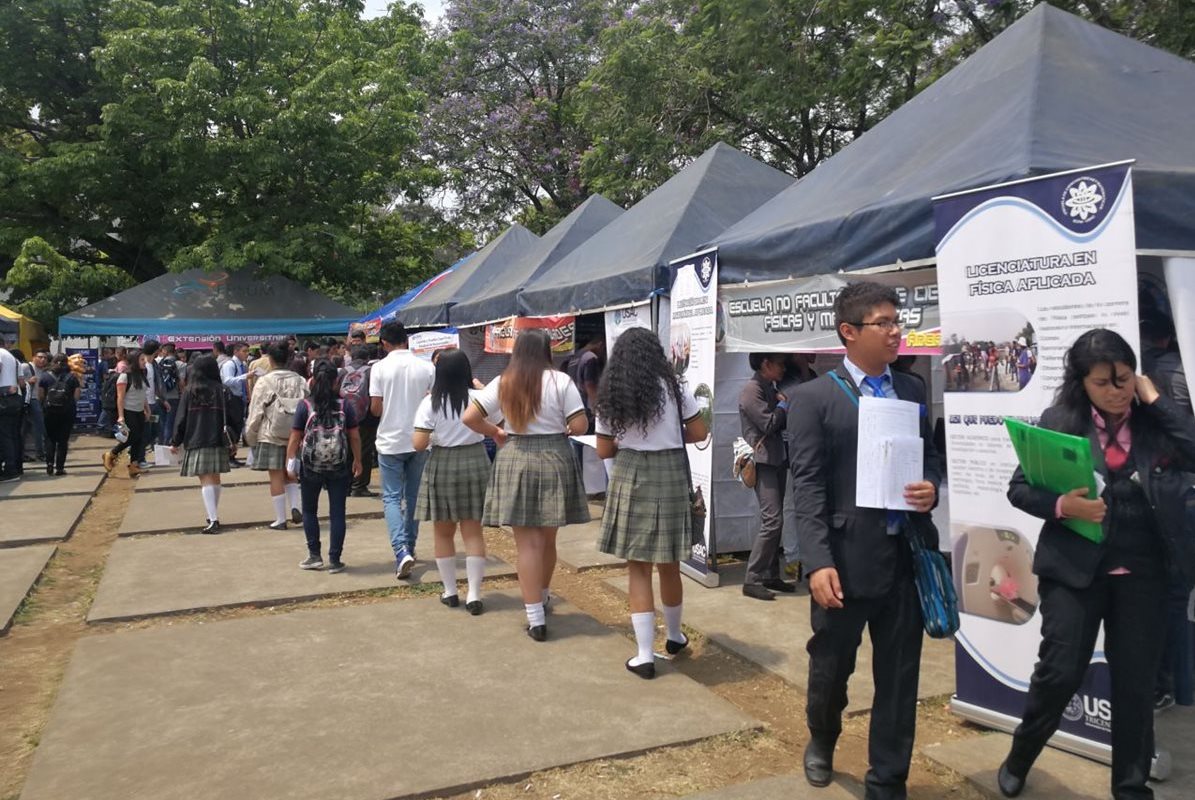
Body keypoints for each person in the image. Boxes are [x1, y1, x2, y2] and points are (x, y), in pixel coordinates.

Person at [997, 329, 1195, 800]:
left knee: (1135, 684)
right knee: (1061, 671)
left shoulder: (1154, 422)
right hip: (1075, 571)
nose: (1116, 390)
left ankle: (1130, 787)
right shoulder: (1060, 420)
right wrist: (1065, 505)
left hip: (1143, 573)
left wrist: (1156, 399)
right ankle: (1021, 754)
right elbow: (1020, 488)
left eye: (1125, 379)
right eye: (1104, 382)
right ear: (1081, 382)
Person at [789, 281, 941, 798]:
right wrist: (817, 562)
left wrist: (931, 488)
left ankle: (888, 780)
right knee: (832, 666)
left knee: (900, 677)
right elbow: (806, 484)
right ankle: (823, 737)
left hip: (906, 556)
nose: (897, 331)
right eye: (885, 323)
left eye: (899, 321)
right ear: (849, 333)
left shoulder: (914, 389)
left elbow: (931, 458)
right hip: (845, 561)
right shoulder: (813, 398)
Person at [593, 328, 708, 678]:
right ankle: (674, 637)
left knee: (638, 567)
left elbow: (603, 449)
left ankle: (644, 656)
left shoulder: (611, 393)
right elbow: (700, 433)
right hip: (671, 471)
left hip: (631, 473)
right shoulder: (676, 386)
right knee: (670, 563)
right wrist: (672, 435)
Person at [463, 328, 590, 641]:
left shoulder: (504, 381)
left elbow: (470, 417)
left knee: (526, 544)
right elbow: (579, 424)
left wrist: (495, 431)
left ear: (517, 351)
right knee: (547, 540)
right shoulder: (561, 381)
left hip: (516, 456)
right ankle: (543, 596)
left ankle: (535, 618)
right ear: (547, 351)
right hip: (554, 457)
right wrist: (561, 425)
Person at [412, 348, 496, 614]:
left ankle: (449, 591)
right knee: (473, 532)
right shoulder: (479, 398)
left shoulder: (430, 403)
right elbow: (497, 423)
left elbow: (418, 444)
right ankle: (474, 594)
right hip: (475, 461)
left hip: (443, 463)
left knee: (443, 531)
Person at [369, 321, 435, 579]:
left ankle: (400, 550)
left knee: (391, 498)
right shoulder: (427, 367)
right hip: (420, 439)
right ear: (406, 340)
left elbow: (375, 407)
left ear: (384, 343)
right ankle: (410, 545)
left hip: (389, 440)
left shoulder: (379, 368)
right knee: (414, 496)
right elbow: (433, 402)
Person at [286, 358, 362, 573]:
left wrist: (290, 462)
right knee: (338, 512)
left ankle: (314, 555)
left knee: (309, 510)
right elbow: (354, 436)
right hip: (339, 466)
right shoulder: (345, 405)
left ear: (312, 379)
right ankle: (335, 559)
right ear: (335, 380)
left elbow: (295, 437)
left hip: (311, 467)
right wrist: (358, 460)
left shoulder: (305, 405)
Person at [739, 352, 795, 600]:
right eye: (780, 364)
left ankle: (770, 575)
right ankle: (752, 578)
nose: (783, 369)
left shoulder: (767, 387)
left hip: (775, 459)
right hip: (764, 461)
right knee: (772, 520)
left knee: (776, 519)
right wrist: (783, 405)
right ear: (766, 364)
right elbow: (769, 423)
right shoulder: (752, 390)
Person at [245, 342, 309, 530]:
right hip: (295, 434)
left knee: (275, 477)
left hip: (270, 434)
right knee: (291, 473)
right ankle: (296, 507)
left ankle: (280, 519)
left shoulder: (264, 382)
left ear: (270, 360)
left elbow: (256, 411)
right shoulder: (300, 380)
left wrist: (251, 436)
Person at [170, 355, 236, 534]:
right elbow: (233, 416)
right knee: (214, 478)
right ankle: (211, 514)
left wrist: (175, 441)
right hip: (218, 439)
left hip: (197, 438)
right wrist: (235, 438)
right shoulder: (222, 390)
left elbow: (181, 419)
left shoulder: (190, 391)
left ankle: (213, 519)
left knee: (205, 479)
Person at [778, 353, 818, 578]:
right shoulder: (787, 381)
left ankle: (806, 557)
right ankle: (793, 558)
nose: (814, 354)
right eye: (808, 351)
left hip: (811, 448)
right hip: (792, 450)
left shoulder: (809, 375)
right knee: (791, 506)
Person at [103, 349, 152, 478]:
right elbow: (120, 397)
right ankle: (112, 454)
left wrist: (147, 409)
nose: (144, 362)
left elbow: (143, 394)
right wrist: (121, 416)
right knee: (132, 437)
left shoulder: (142, 374)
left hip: (139, 411)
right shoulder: (124, 376)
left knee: (139, 439)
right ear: (135, 361)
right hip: (128, 410)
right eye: (142, 360)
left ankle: (133, 466)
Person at [341, 345, 378, 497]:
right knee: (364, 450)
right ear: (367, 359)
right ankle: (360, 485)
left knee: (347, 449)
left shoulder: (342, 371)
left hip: (344, 415)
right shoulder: (371, 372)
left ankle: (347, 483)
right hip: (366, 418)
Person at [38, 354, 81, 475]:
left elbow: (40, 395)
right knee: (63, 440)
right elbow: (77, 395)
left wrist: (45, 405)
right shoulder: (72, 377)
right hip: (66, 413)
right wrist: (69, 404)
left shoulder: (45, 377)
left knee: (49, 438)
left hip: (49, 412)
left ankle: (49, 464)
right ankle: (60, 468)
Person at [219, 341, 251, 465]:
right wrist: (245, 377)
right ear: (236, 352)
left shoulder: (243, 365)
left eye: (247, 351)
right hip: (231, 399)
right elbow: (227, 381)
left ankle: (233, 455)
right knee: (232, 428)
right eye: (244, 351)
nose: (246, 354)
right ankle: (228, 457)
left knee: (238, 427)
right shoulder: (229, 364)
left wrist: (247, 394)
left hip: (240, 398)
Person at [0, 346, 25, 480]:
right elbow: (21, 383)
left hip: (4, 399)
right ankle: (16, 466)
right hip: (14, 399)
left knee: (4, 436)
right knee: (12, 435)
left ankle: (10, 469)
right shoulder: (13, 359)